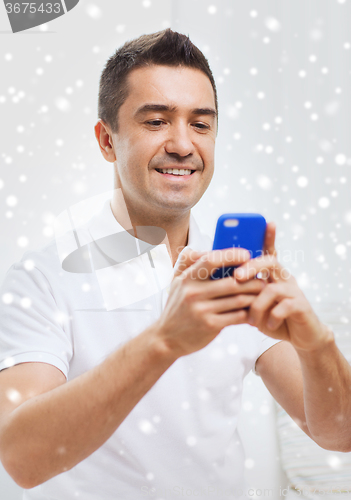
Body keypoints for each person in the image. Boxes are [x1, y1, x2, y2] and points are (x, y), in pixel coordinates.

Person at [0, 28, 350, 500]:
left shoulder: (236, 270)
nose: (183, 144)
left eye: (200, 124)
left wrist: (317, 343)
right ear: (107, 140)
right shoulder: (41, 278)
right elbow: (22, 458)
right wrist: (164, 340)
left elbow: (335, 434)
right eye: (156, 121)